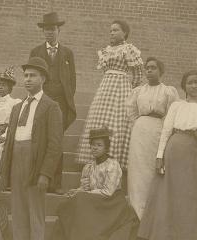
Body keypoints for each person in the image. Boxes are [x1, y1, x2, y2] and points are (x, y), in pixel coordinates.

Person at [138, 70, 197, 240]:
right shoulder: (177, 105)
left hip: (194, 154)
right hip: (174, 151)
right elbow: (166, 130)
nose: (193, 85)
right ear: (184, 86)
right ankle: (164, 234)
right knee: (168, 193)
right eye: (189, 82)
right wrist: (159, 156)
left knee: (191, 195)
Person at [0, 57, 63, 240]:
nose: (27, 79)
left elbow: (55, 144)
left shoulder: (51, 107)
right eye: (25, 75)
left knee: (35, 210)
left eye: (33, 76)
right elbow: (9, 141)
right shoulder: (17, 107)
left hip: (35, 162)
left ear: (43, 78)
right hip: (16, 159)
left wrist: (46, 173)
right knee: (18, 210)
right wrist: (3, 170)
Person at [78, 20, 143, 171]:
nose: (112, 33)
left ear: (124, 33)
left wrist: (132, 90)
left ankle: (115, 158)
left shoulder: (129, 49)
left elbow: (138, 73)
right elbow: (104, 70)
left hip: (121, 88)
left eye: (115, 30)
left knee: (118, 120)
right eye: (110, 30)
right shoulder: (106, 50)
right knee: (100, 118)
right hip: (106, 88)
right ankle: (96, 156)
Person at [54, 127, 139, 240]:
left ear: (106, 148)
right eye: (93, 145)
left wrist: (85, 194)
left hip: (112, 202)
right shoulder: (89, 167)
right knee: (72, 201)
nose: (95, 148)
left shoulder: (112, 165)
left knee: (81, 200)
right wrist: (77, 191)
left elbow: (108, 191)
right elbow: (85, 187)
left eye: (99, 145)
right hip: (95, 200)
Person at [30, 12, 77, 194]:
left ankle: (55, 183)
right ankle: (38, 178)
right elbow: (32, 77)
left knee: (56, 142)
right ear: (43, 32)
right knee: (39, 139)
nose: (50, 33)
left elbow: (72, 80)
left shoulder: (67, 53)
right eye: (47, 30)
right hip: (42, 102)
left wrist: (65, 100)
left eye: (53, 29)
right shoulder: (36, 52)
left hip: (60, 105)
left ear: (59, 31)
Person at [126, 57, 179, 219]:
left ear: (160, 71)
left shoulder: (168, 91)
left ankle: (151, 214)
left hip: (158, 130)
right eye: (147, 68)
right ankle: (136, 212)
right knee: (138, 170)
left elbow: (172, 114)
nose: (149, 70)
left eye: (153, 68)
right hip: (140, 131)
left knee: (152, 169)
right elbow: (132, 111)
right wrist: (139, 123)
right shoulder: (138, 91)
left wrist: (164, 131)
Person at [0, 67, 21, 163]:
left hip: (10, 136)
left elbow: (15, 123)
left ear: (9, 88)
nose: (0, 87)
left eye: (4, 85)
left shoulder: (15, 103)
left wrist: (5, 135)